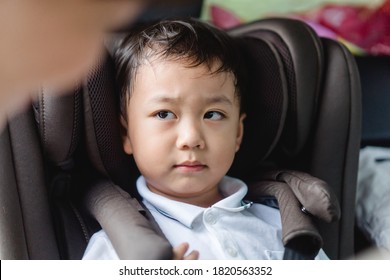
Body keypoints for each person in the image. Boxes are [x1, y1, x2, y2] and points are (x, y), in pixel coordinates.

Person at [82, 18, 329, 260]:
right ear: (126, 134)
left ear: (238, 134)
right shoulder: (115, 251)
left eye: (213, 114)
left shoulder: (283, 228)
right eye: (164, 114)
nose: (191, 139)